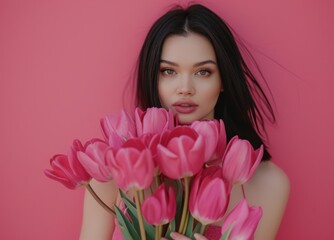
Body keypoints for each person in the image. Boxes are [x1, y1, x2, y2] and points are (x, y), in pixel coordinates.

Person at [80, 3, 290, 240]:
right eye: (168, 71)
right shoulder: (114, 172)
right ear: (153, 77)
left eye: (203, 72)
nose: (185, 89)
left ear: (223, 80)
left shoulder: (268, 183)